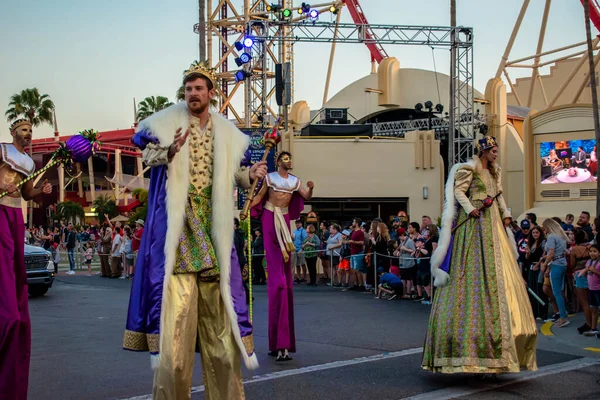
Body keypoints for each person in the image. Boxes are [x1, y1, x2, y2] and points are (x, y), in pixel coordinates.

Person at [123, 63, 266, 399]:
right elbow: (147, 152)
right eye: (188, 90)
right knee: (174, 345)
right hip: (179, 232)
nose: (192, 95)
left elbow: (239, 175)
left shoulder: (226, 131)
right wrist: (170, 150)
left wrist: (253, 173)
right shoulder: (166, 124)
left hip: (214, 234)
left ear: (210, 92)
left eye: (198, 89)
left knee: (222, 340)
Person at [423, 135, 537, 374]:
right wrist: (471, 208)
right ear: (483, 151)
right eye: (493, 150)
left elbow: (499, 195)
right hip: (475, 221)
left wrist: (506, 213)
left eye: (496, 150)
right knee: (471, 264)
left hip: (492, 222)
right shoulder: (468, 170)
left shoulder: (495, 173)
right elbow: (458, 192)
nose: (496, 154)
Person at [0, 118, 53, 399]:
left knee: (15, 263)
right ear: (13, 133)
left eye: (31, 131)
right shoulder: (2, 151)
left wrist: (40, 191)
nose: (28, 134)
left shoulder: (31, 163)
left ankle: (13, 306)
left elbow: (26, 192)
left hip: (14, 215)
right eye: (23, 130)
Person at [249, 151, 313, 362]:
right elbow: (259, 196)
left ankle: (282, 343)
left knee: (285, 284)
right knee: (279, 284)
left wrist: (311, 188)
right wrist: (247, 205)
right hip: (269, 217)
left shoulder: (295, 181)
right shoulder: (269, 178)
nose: (289, 161)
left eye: (290, 159)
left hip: (284, 219)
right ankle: (279, 343)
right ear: (278, 162)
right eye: (285, 159)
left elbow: (305, 196)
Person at [540, 218, 570, 327]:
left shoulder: (552, 236)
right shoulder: (561, 236)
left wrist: (544, 264)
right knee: (560, 291)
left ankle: (563, 316)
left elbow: (551, 253)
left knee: (557, 292)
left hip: (556, 264)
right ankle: (563, 314)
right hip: (562, 263)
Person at [580, 244, 600, 337]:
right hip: (591, 289)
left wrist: (595, 271)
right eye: (591, 251)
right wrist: (585, 271)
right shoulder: (588, 262)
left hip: (598, 289)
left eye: (595, 251)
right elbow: (586, 275)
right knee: (593, 309)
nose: (592, 253)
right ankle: (593, 329)